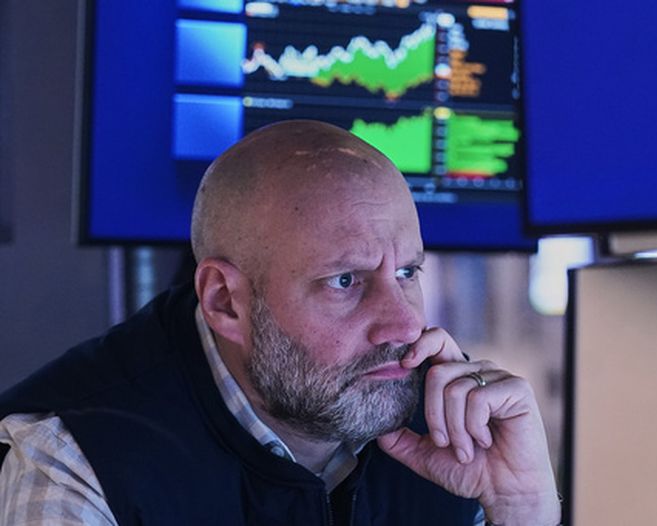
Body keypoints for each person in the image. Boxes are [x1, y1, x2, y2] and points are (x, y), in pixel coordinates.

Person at [0, 121, 561, 525]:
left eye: (408, 272)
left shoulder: (445, 431)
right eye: (345, 281)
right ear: (225, 301)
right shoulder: (77, 454)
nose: (402, 326)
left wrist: (521, 507)